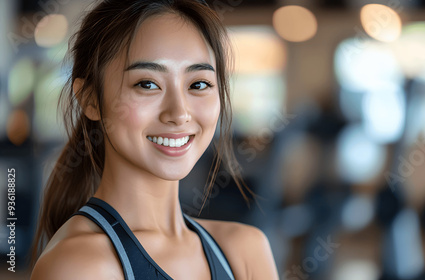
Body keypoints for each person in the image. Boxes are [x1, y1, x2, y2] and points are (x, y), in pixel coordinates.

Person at [29, 0, 279, 279]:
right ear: (89, 99)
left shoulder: (245, 250)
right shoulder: (80, 266)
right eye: (147, 84)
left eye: (198, 84)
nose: (179, 113)